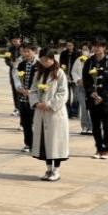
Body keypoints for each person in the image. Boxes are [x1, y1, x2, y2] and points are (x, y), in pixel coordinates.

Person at [28, 48, 69, 181]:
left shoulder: (59, 73)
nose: (45, 62)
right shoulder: (38, 73)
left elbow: (63, 93)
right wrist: (36, 102)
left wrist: (50, 104)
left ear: (52, 59)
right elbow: (33, 90)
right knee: (44, 142)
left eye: (47, 60)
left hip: (54, 113)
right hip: (41, 112)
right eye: (43, 60)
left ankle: (56, 170)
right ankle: (48, 169)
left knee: (55, 142)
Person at [83, 40, 108, 159]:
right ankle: (99, 148)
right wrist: (92, 93)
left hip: (105, 99)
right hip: (93, 98)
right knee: (95, 125)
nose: (96, 49)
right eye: (95, 46)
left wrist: (103, 95)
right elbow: (86, 79)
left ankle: (107, 149)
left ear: (104, 48)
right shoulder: (89, 62)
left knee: (106, 125)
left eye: (99, 46)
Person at [13, 43, 38, 152]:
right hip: (23, 97)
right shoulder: (21, 65)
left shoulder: (39, 65)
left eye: (28, 51)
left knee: (36, 122)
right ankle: (28, 144)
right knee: (26, 122)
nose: (26, 54)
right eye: (24, 51)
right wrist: (19, 87)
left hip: (35, 97)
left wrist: (31, 91)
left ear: (34, 52)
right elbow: (16, 77)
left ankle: (37, 144)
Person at [70, 42, 93, 135]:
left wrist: (86, 80)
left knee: (91, 107)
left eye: (86, 49)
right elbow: (74, 71)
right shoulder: (78, 60)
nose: (84, 51)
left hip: (90, 87)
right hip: (80, 86)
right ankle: (84, 126)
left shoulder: (92, 60)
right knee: (83, 107)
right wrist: (78, 80)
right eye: (83, 49)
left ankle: (91, 127)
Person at [59, 40, 81, 119]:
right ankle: (67, 112)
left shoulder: (78, 54)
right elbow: (61, 64)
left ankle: (75, 113)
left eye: (70, 45)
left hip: (75, 77)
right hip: (66, 76)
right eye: (67, 45)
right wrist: (64, 73)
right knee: (67, 96)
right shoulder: (63, 53)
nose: (69, 47)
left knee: (76, 96)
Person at [4, 35, 23, 116]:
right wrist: (11, 63)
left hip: (22, 72)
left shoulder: (23, 48)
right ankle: (16, 107)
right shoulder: (9, 49)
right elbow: (6, 60)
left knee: (22, 89)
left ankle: (22, 108)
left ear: (20, 40)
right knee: (14, 90)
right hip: (13, 71)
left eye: (16, 40)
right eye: (13, 41)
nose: (15, 42)